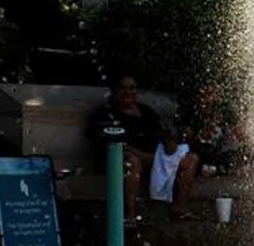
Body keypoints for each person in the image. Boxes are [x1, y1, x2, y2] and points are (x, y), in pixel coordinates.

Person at [85, 74, 199, 221]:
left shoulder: (147, 112)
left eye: (132, 88)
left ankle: (180, 208)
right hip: (120, 159)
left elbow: (169, 148)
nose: (128, 92)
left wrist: (169, 138)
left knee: (191, 159)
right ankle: (130, 215)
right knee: (132, 161)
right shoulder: (105, 113)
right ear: (115, 91)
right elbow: (101, 139)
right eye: (123, 88)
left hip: (154, 159)